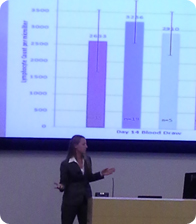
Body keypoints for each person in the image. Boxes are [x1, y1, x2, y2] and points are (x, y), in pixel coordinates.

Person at [54, 135, 115, 224]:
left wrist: (101, 174)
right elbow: (64, 182)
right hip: (71, 200)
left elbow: (88, 178)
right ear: (75, 146)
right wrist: (61, 186)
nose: (86, 146)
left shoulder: (87, 160)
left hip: (85, 199)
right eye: (83, 144)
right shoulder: (66, 164)